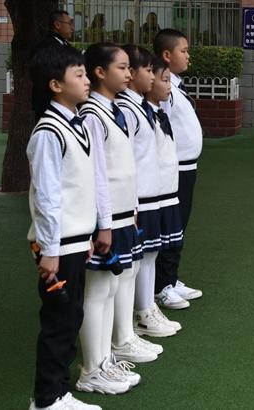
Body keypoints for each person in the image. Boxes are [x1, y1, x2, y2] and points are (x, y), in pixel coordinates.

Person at [26, 45, 101, 410]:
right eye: (79, 75)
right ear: (56, 85)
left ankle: (58, 393)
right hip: (57, 246)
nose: (87, 81)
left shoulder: (75, 123)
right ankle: (46, 400)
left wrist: (86, 236)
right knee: (59, 321)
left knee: (71, 318)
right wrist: (51, 250)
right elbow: (47, 197)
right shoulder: (48, 132)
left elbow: (77, 189)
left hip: (74, 241)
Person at [76, 43, 141, 395]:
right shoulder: (92, 115)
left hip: (121, 213)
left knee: (111, 287)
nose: (129, 74)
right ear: (100, 72)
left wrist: (132, 207)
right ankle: (91, 368)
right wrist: (103, 224)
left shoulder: (115, 111)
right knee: (98, 290)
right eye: (122, 67)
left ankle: (105, 359)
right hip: (107, 218)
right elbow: (97, 175)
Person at [116, 46, 182, 341]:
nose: (151, 77)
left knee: (150, 254)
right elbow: (126, 159)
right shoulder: (127, 110)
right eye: (147, 71)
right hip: (139, 197)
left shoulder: (141, 107)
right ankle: (139, 314)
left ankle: (146, 308)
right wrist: (132, 202)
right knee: (138, 260)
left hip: (154, 193)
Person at [153, 29, 204, 310]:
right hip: (174, 170)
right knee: (171, 227)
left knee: (179, 226)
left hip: (186, 167)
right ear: (166, 55)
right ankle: (161, 285)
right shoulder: (164, 89)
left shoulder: (175, 85)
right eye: (183, 51)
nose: (188, 56)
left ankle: (170, 279)